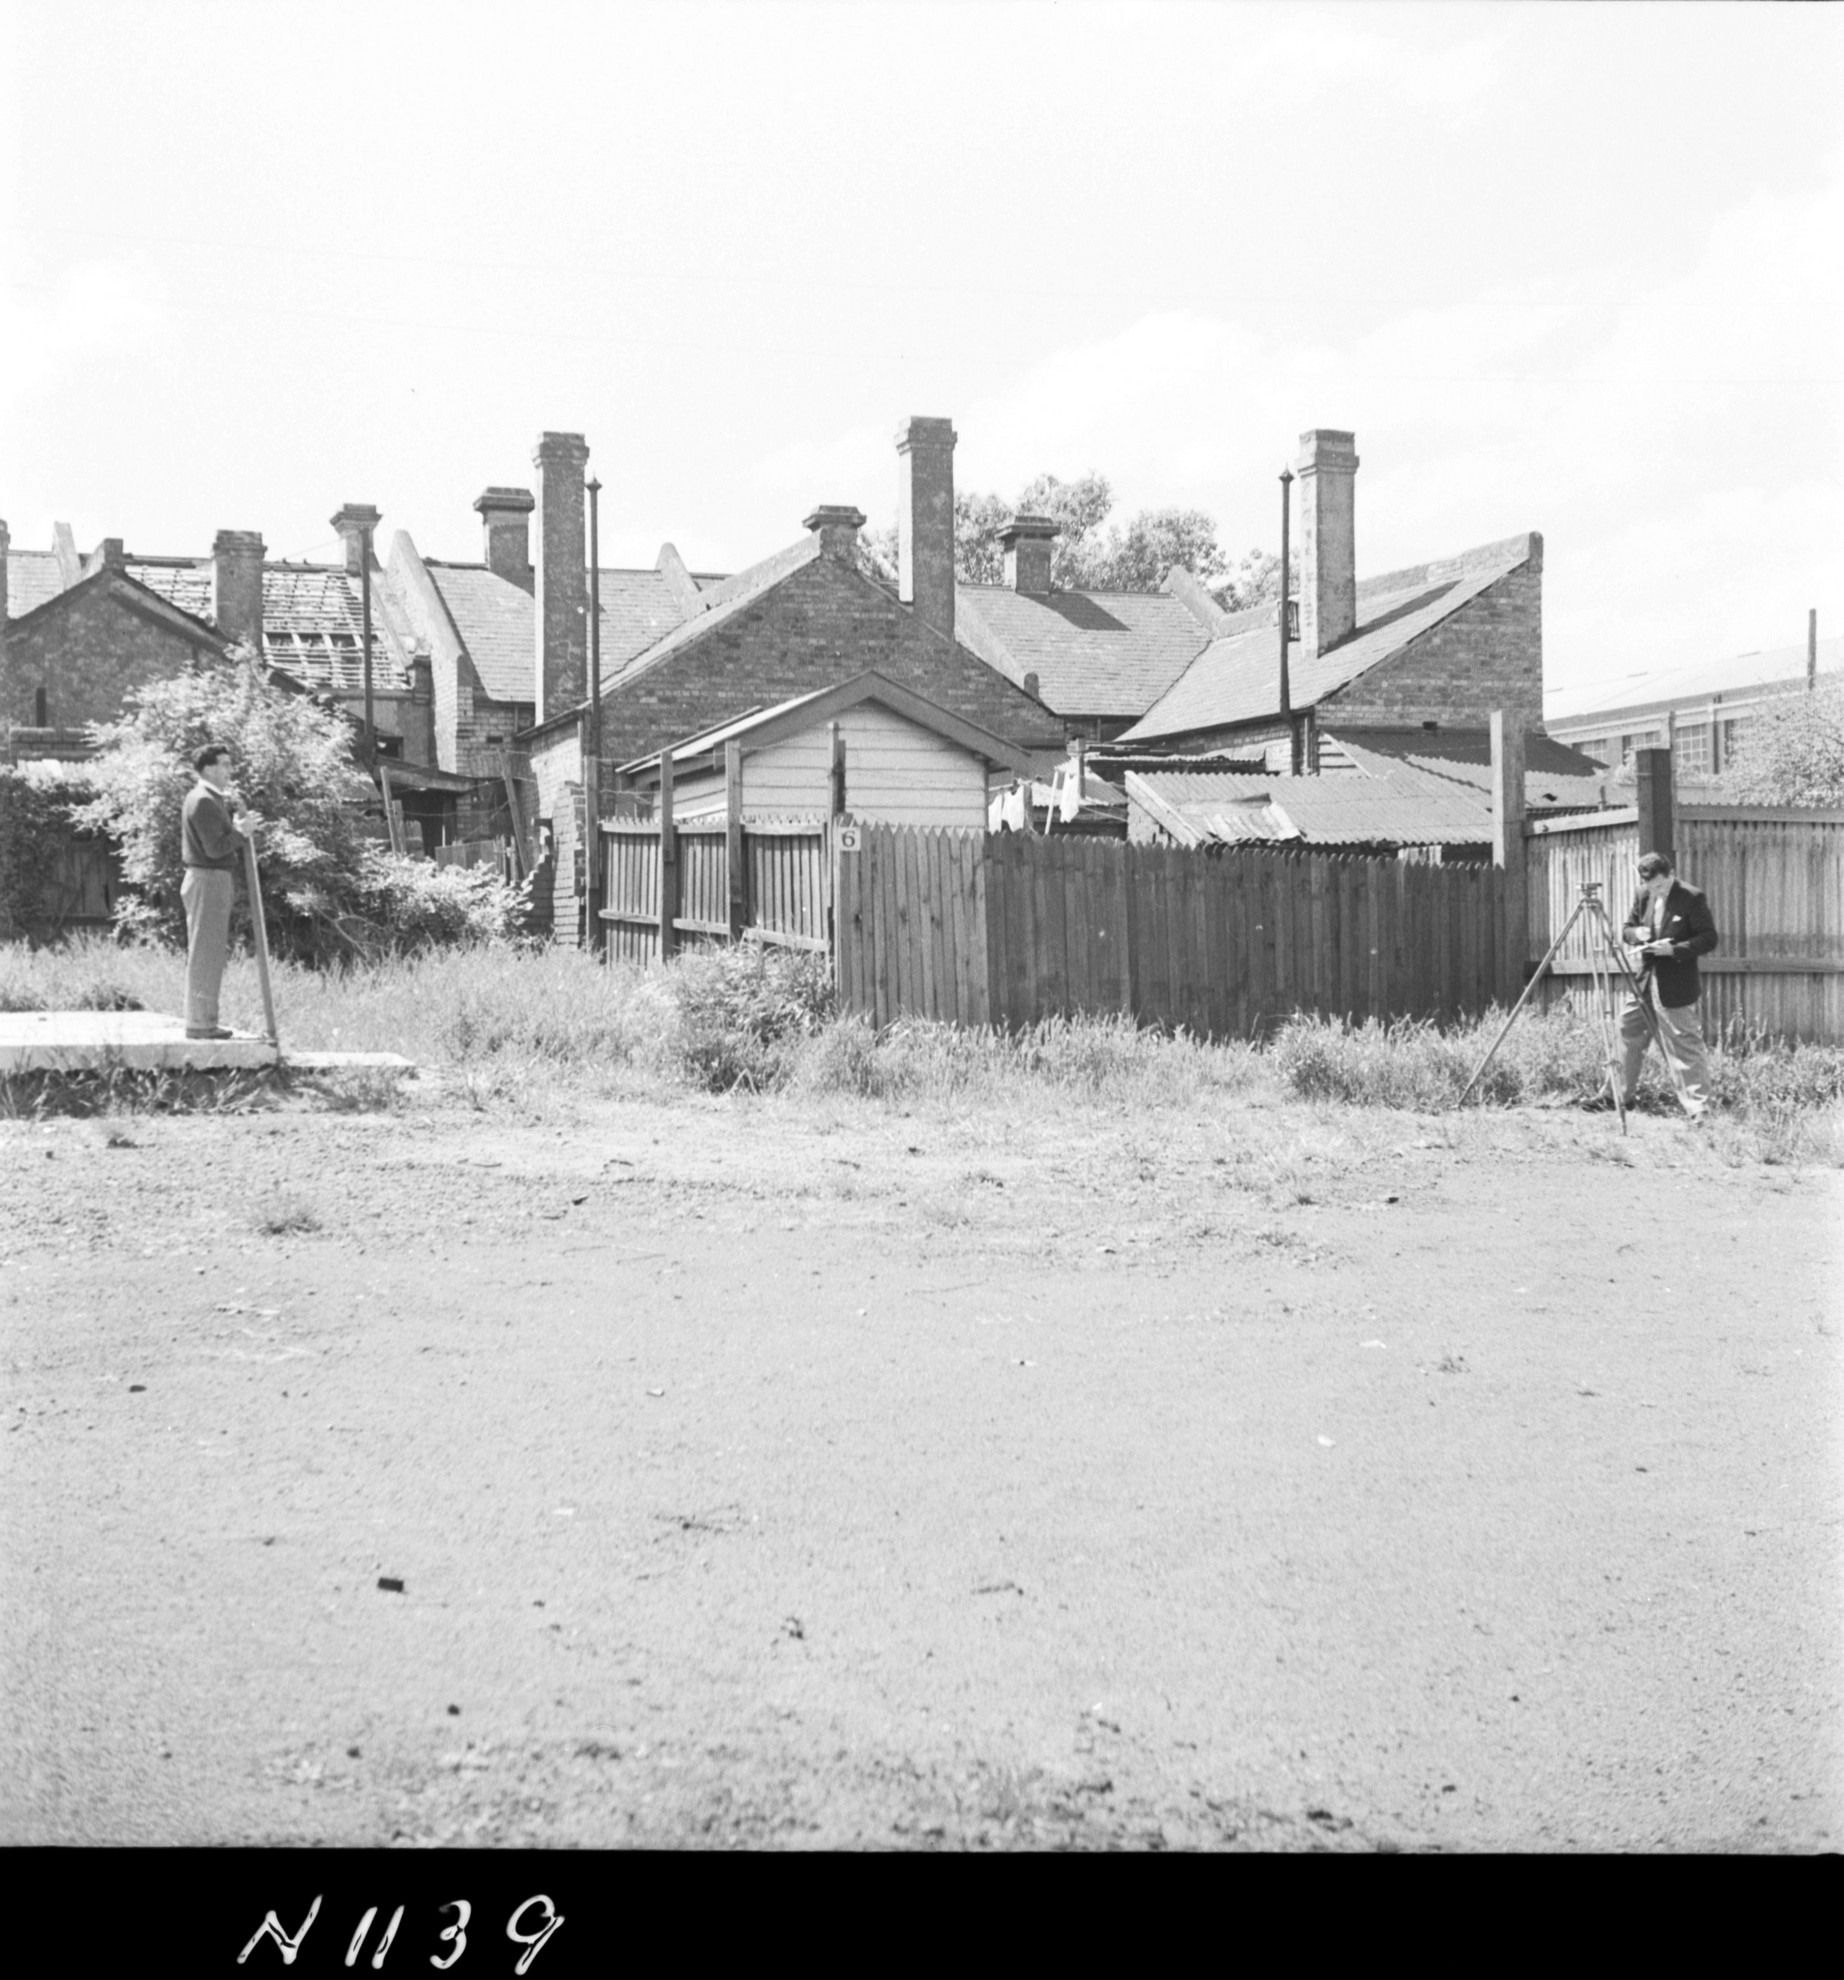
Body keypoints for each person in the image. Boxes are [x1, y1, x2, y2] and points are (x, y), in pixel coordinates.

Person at [1612, 849, 1718, 1116]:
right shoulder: (1642, 895)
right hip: (1645, 981)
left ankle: (1698, 1109)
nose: (1655, 890)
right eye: (1649, 885)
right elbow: (1626, 929)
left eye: (1660, 885)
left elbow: (1708, 938)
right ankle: (1620, 1098)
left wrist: (1674, 950)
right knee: (1626, 1030)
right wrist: (1637, 933)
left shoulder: (1692, 897)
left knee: (1684, 1043)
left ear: (1672, 875)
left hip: (1676, 983)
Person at [180, 745, 262, 1040]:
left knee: (210, 951)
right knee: (206, 952)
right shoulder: (203, 801)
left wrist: (238, 828)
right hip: (208, 878)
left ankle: (202, 1021)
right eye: (225, 765)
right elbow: (214, 848)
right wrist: (241, 832)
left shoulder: (209, 799)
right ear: (209, 769)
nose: (230, 771)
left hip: (210, 879)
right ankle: (201, 1024)